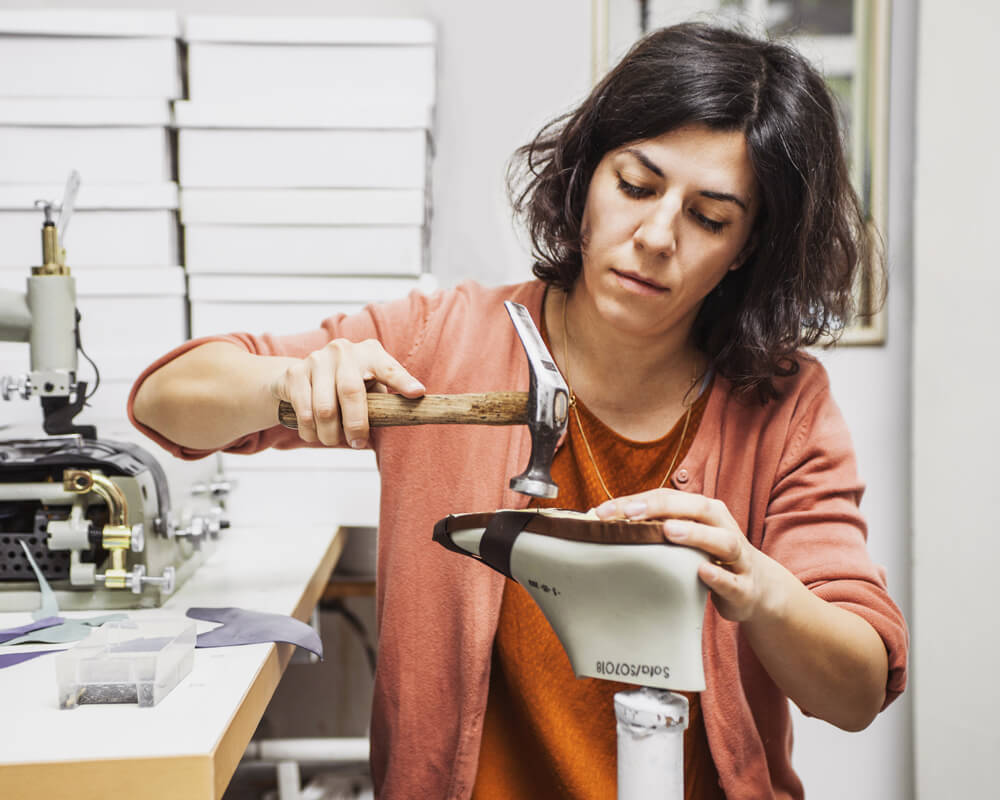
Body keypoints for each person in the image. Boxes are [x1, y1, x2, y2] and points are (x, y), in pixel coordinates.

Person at [130, 22, 908, 800]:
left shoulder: (781, 405)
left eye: (709, 217)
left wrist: (760, 585)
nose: (655, 236)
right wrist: (288, 384)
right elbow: (166, 402)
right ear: (587, 177)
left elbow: (857, 689)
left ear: (745, 247)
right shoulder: (444, 341)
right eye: (636, 185)